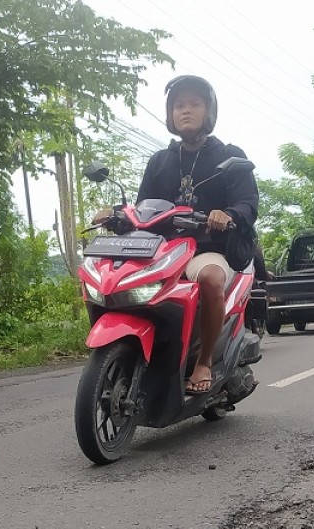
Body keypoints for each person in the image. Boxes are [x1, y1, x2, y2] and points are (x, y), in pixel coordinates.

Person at [130, 75, 259, 394]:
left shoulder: (228, 154)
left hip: (205, 249)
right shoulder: (160, 160)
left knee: (212, 279)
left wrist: (227, 214)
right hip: (163, 250)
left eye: (194, 104)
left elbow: (248, 202)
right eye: (179, 105)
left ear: (209, 111)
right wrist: (116, 216)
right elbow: (142, 206)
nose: (185, 110)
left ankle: (203, 361)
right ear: (170, 114)